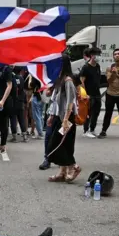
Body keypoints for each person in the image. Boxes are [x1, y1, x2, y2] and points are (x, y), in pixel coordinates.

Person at [46, 54, 81, 182]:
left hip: (66, 118)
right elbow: (55, 100)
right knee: (61, 145)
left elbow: (70, 102)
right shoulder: (58, 80)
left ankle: (73, 167)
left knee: (57, 144)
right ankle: (62, 172)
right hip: (58, 117)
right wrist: (51, 115)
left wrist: (66, 120)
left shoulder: (68, 81)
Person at [98, 49, 119, 140]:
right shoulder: (109, 67)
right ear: (113, 56)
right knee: (107, 114)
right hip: (110, 94)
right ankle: (103, 131)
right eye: (115, 54)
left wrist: (117, 75)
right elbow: (109, 81)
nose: (117, 55)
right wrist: (113, 74)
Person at [80, 47, 102, 138]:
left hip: (97, 93)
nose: (98, 57)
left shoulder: (97, 66)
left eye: (99, 55)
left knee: (96, 112)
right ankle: (86, 130)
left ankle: (92, 129)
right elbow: (82, 81)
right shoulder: (86, 67)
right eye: (96, 55)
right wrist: (85, 94)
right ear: (92, 55)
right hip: (89, 94)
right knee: (88, 113)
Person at [10, 67, 28, 143]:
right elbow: (22, 90)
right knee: (21, 119)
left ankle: (14, 137)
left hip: (12, 101)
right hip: (20, 101)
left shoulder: (11, 78)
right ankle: (24, 136)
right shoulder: (21, 78)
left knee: (13, 119)